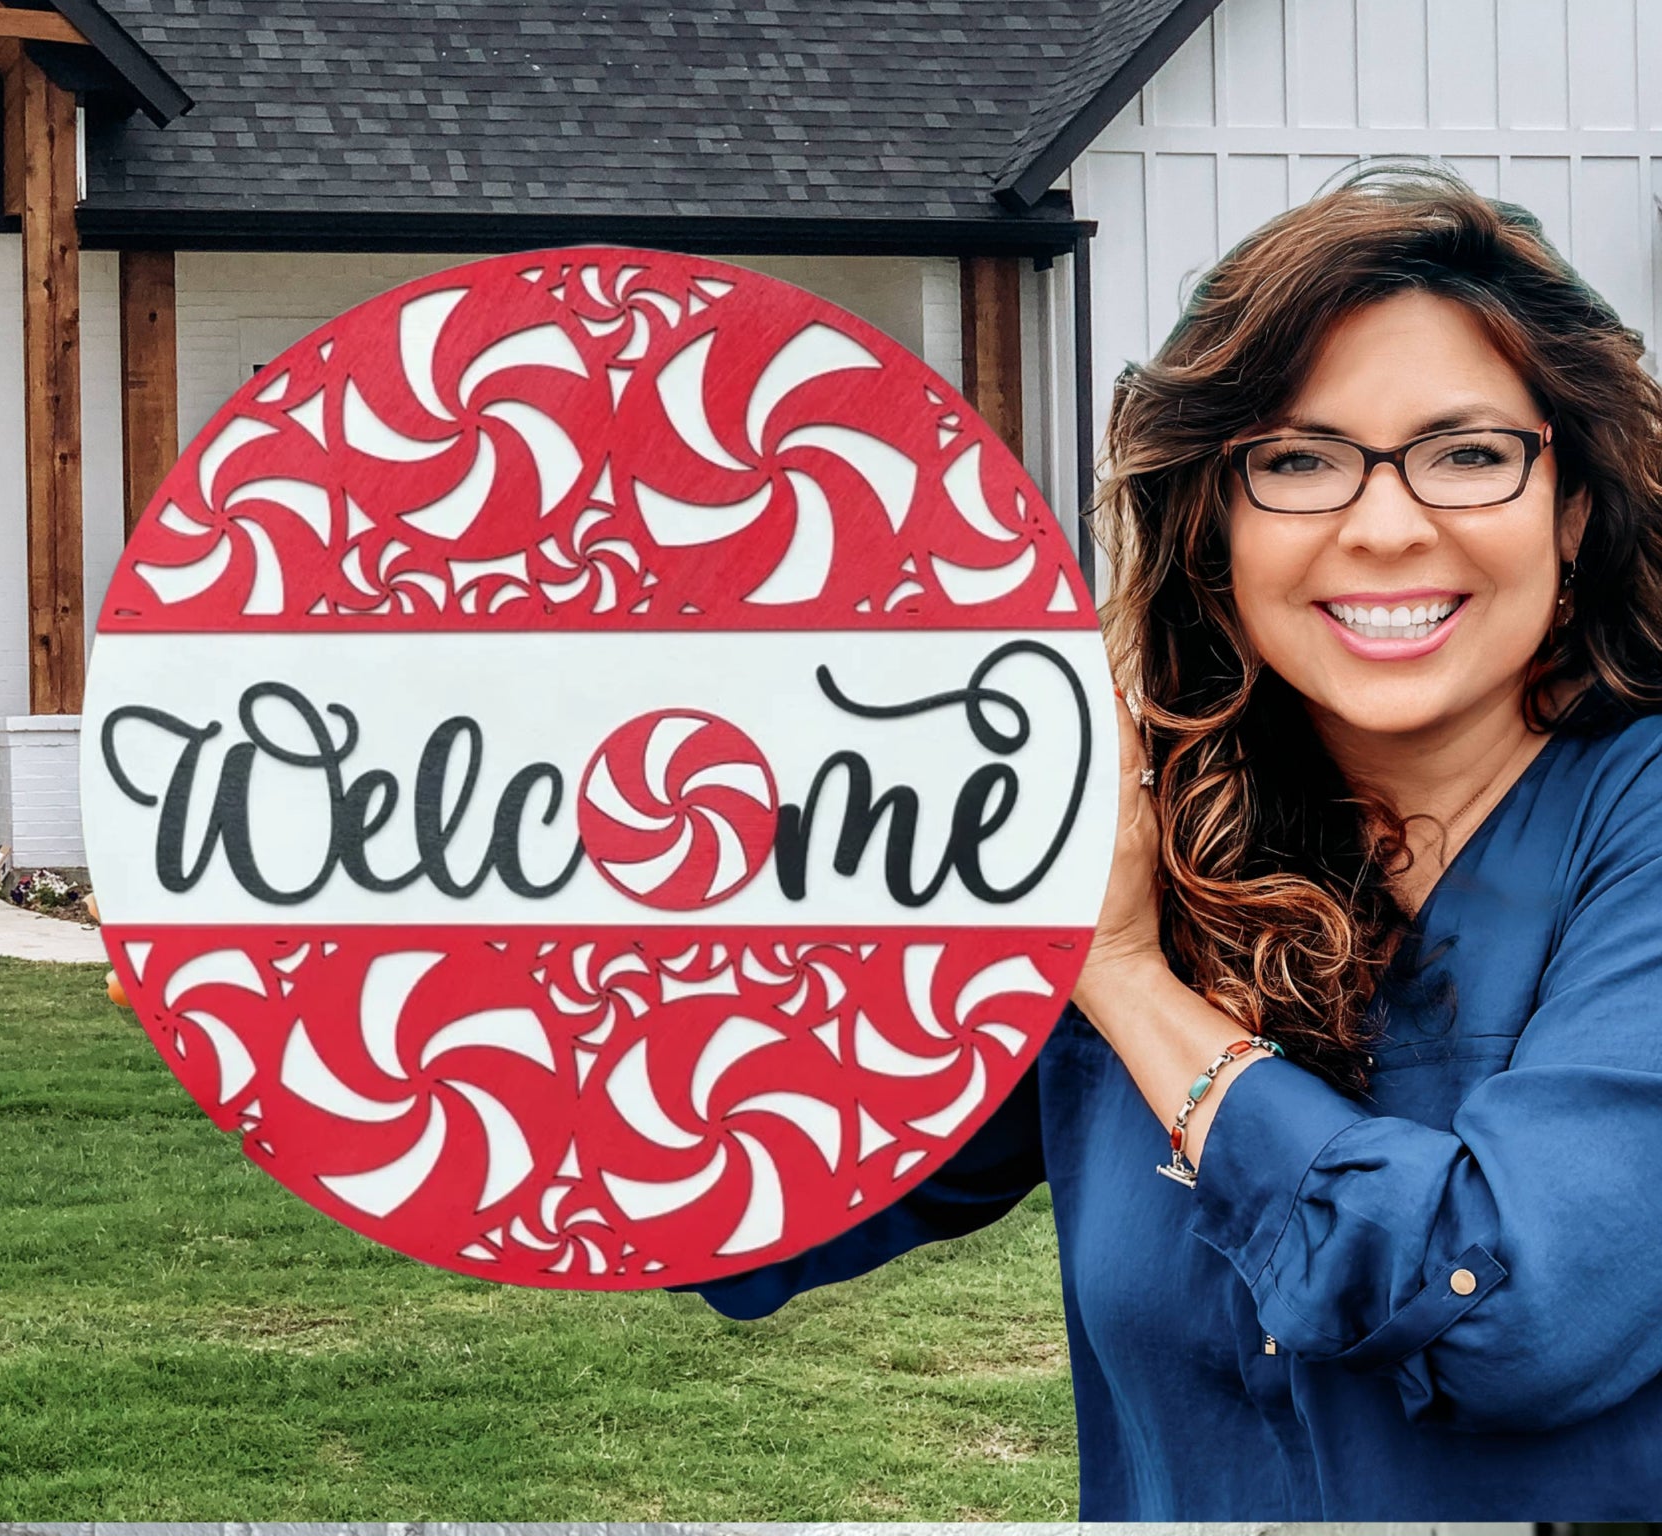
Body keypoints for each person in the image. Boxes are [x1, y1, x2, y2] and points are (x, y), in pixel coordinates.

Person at [687, 162, 1662, 1519]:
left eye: (1468, 453)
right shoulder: (1152, 829)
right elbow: (761, 1188)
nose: (1385, 526)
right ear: (1215, 524)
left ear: (1572, 510)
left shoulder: (1636, 828)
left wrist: (1131, 982)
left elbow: (1516, 1314)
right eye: (1300, 460)